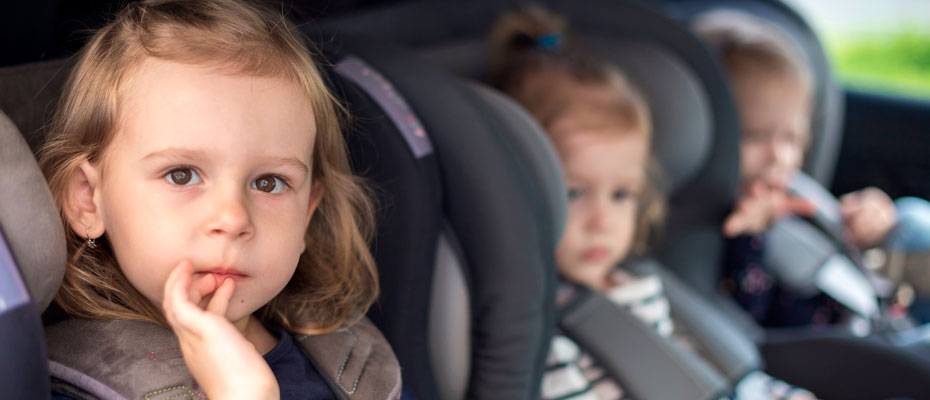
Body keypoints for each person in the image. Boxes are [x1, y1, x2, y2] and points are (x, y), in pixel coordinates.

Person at [37, 0, 400, 398]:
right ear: (89, 200)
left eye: (269, 183)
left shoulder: (355, 367)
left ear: (307, 216)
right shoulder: (67, 386)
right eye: (182, 175)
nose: (232, 218)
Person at [489, 6, 814, 399]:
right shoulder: (546, 336)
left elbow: (695, 374)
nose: (601, 221)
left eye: (621, 195)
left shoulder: (639, 283)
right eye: (574, 194)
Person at [694, 10, 930, 328]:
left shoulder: (795, 192)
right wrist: (751, 237)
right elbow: (747, 321)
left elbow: (836, 249)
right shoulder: (723, 229)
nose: (778, 155)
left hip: (879, 310)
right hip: (837, 350)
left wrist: (862, 226)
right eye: (754, 136)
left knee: (910, 220)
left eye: (791, 137)